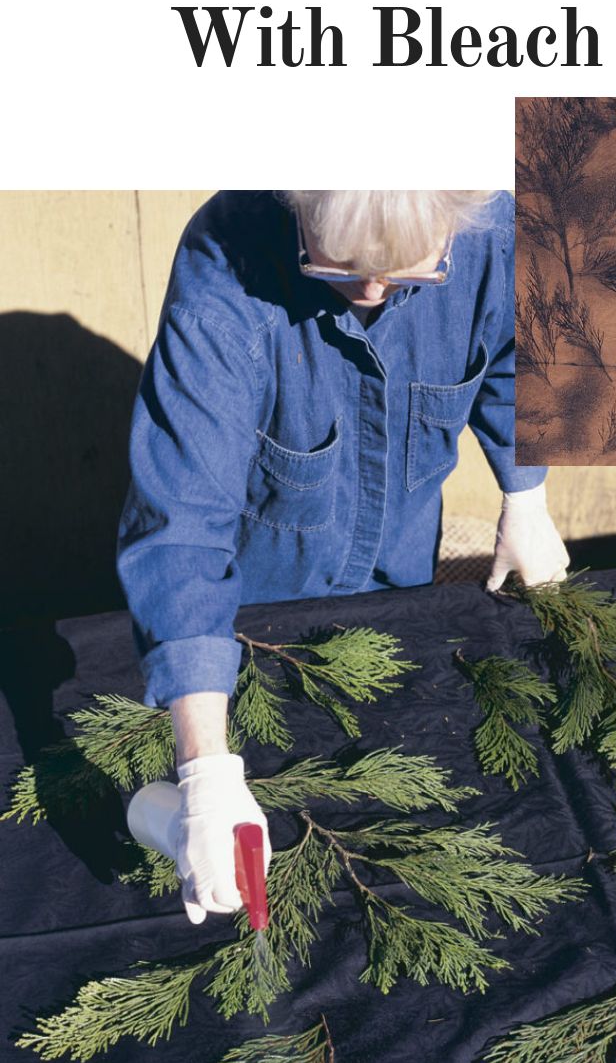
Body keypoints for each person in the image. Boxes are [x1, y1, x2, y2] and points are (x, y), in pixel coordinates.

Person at [117, 189, 569, 922]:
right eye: (338, 265)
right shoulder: (225, 268)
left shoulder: (496, 235)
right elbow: (181, 526)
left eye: (406, 276)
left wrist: (525, 494)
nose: (370, 290)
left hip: (402, 570)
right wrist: (203, 768)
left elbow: (513, 366)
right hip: (255, 610)